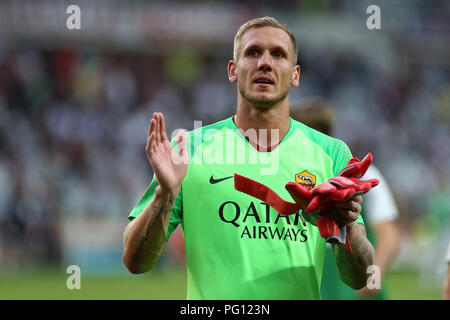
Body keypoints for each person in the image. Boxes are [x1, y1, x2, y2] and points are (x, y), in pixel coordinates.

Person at [122, 16, 375, 299]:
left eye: (278, 54)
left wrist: (345, 225)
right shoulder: (188, 150)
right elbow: (135, 262)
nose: (265, 62)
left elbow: (361, 278)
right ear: (233, 70)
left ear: (295, 74)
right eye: (253, 52)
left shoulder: (331, 153)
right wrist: (164, 194)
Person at [291, 98, 401, 299]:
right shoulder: (292, 177)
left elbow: (389, 236)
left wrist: (373, 278)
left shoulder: (363, 176)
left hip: (353, 291)